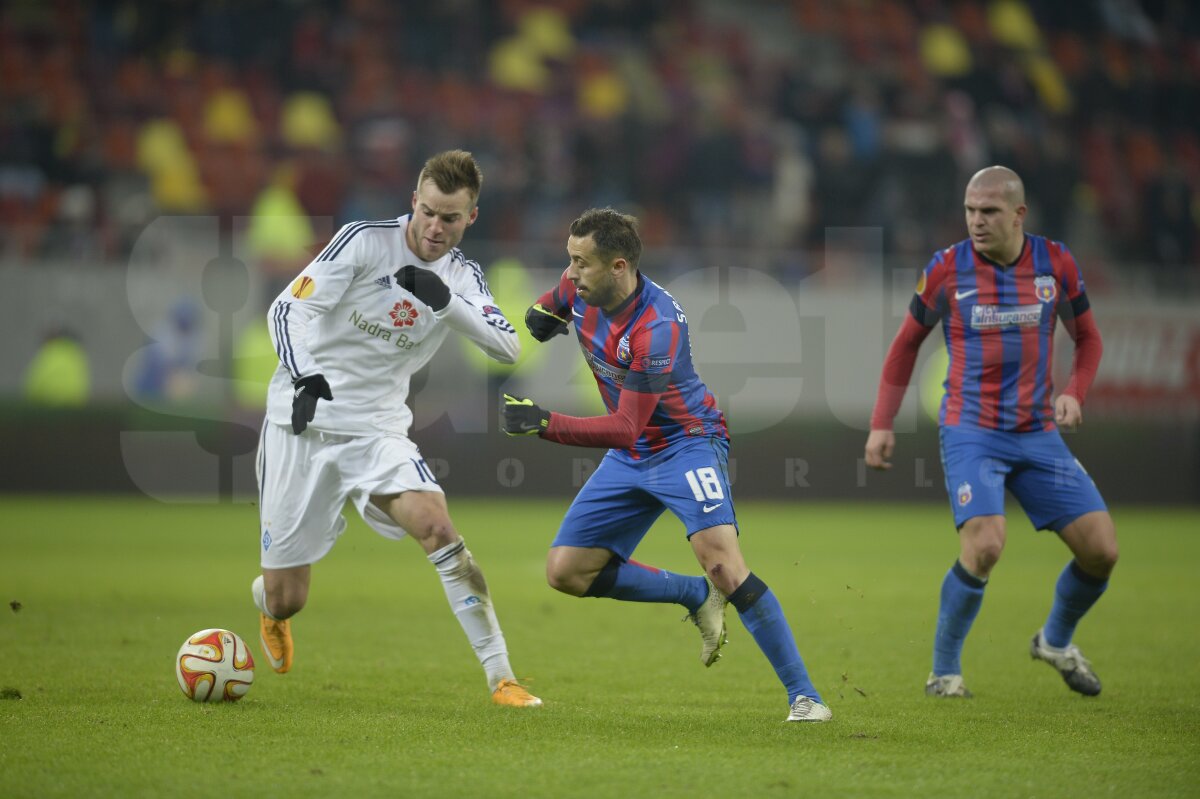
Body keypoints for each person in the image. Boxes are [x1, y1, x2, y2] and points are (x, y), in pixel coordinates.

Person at [502, 208, 830, 723]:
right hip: (631, 455)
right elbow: (549, 306)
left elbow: (628, 426)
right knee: (565, 572)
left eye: (581, 264)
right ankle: (693, 595)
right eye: (569, 261)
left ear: (618, 266)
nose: (570, 274)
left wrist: (544, 422)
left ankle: (805, 697)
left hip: (685, 444)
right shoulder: (578, 288)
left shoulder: (657, 327)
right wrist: (540, 315)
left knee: (722, 563)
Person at [252, 149, 541, 708]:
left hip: (378, 432)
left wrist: (444, 301)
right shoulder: (363, 241)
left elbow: (507, 346)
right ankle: (270, 606)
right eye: (428, 212)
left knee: (437, 527)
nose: (435, 227)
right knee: (289, 597)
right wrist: (305, 374)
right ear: (413, 201)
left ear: (471, 218)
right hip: (303, 421)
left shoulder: (462, 276)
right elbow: (288, 311)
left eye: (450, 218)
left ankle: (501, 677)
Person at [865, 166, 1118, 699]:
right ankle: (944, 673)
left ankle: (1054, 640)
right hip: (971, 431)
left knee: (1101, 551)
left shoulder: (1057, 263)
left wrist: (1075, 390)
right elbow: (905, 345)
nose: (976, 221)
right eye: (970, 210)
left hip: (1038, 432)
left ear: (1019, 214)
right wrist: (881, 424)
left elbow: (1089, 339)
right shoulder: (945, 270)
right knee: (985, 544)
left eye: (989, 212)